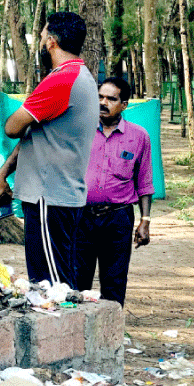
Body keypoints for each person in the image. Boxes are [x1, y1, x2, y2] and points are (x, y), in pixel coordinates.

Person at [0, 12, 99, 288]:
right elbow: (37, 134)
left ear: (51, 42)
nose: (39, 42)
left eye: (41, 36)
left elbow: (13, 127)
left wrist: (28, 106)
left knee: (51, 286)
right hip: (56, 195)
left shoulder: (62, 80)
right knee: (56, 279)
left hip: (49, 196)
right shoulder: (81, 75)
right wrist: (3, 173)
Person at [76, 77, 154, 305]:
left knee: (114, 281)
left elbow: (144, 182)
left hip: (118, 219)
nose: (103, 102)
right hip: (81, 216)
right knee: (77, 280)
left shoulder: (139, 136)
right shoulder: (80, 130)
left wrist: (145, 221)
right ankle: (77, 327)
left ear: (124, 105)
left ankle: (112, 326)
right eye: (100, 97)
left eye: (111, 99)